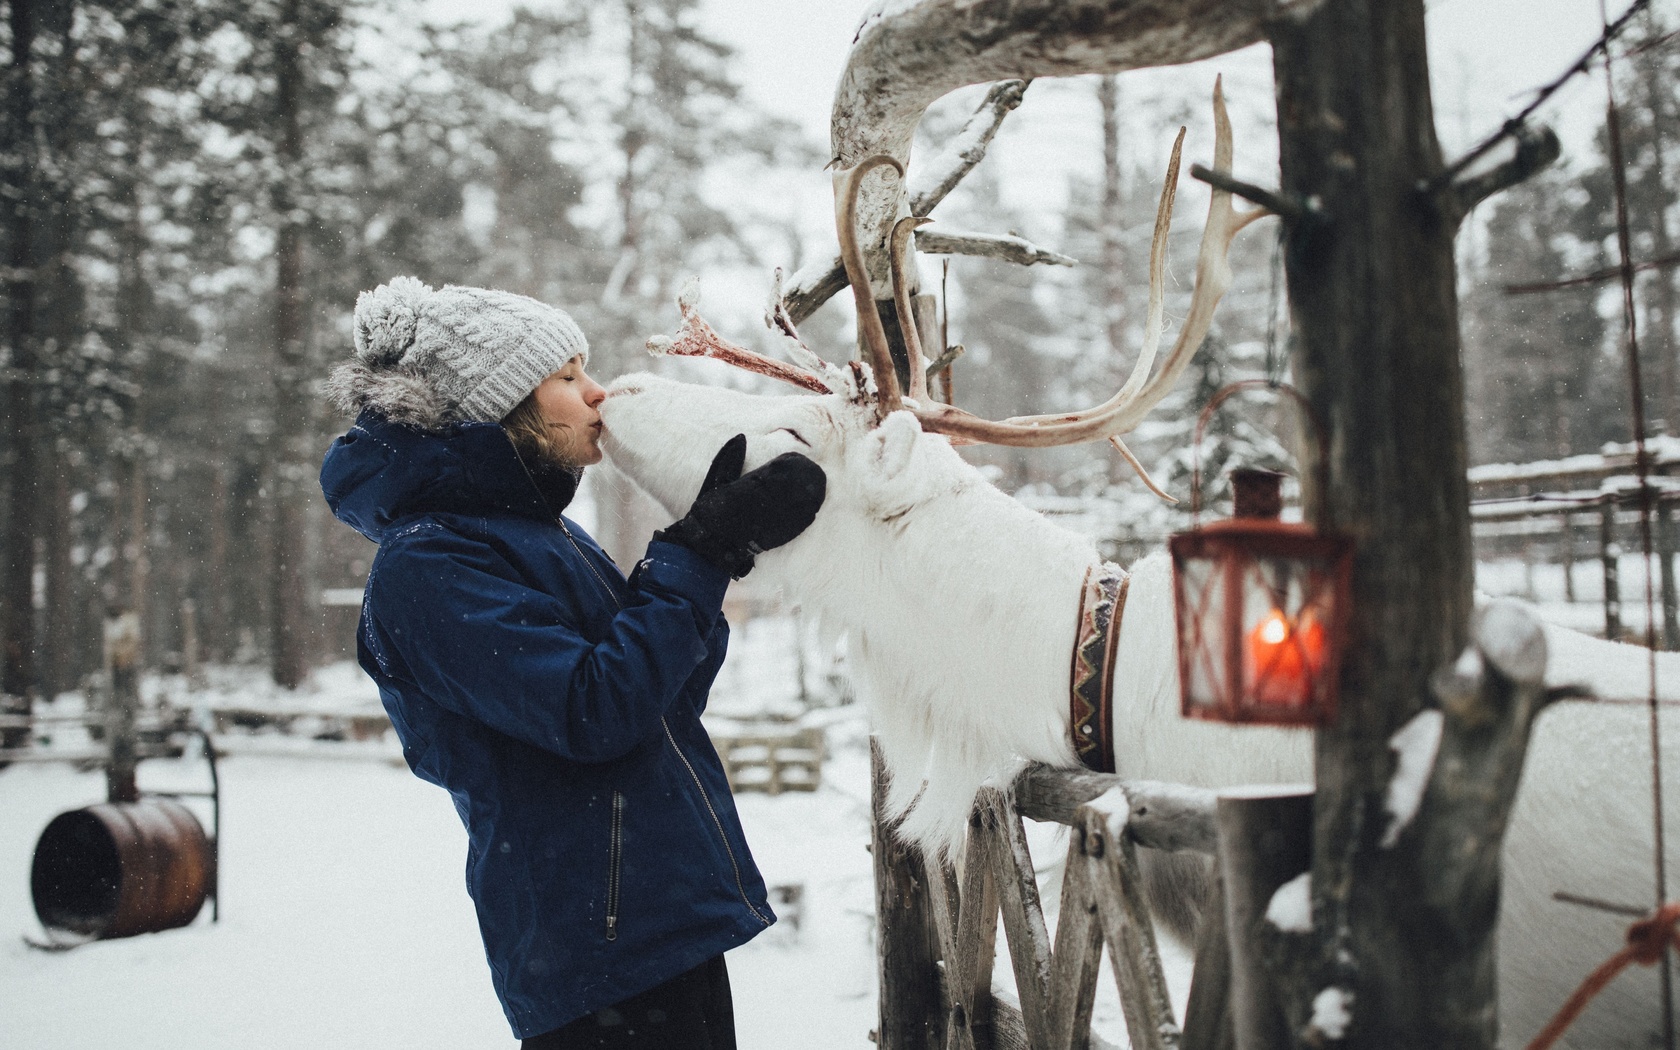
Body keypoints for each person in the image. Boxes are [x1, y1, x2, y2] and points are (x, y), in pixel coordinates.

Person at [319, 276, 826, 1048]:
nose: (597, 394)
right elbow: (593, 710)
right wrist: (699, 551)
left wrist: (718, 542)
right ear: (498, 406)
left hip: (656, 927)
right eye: (568, 376)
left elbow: (662, 695)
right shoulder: (429, 567)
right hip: (596, 954)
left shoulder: (536, 537)